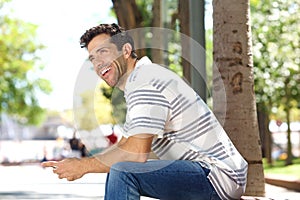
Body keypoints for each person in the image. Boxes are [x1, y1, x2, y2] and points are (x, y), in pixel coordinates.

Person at [42, 23, 248, 200]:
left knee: (123, 172)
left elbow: (136, 153)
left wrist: (82, 167)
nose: (97, 63)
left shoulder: (145, 80)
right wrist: (81, 165)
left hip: (217, 176)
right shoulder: (138, 83)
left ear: (125, 50)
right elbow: (124, 146)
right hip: (209, 173)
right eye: (92, 58)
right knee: (120, 166)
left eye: (103, 52)